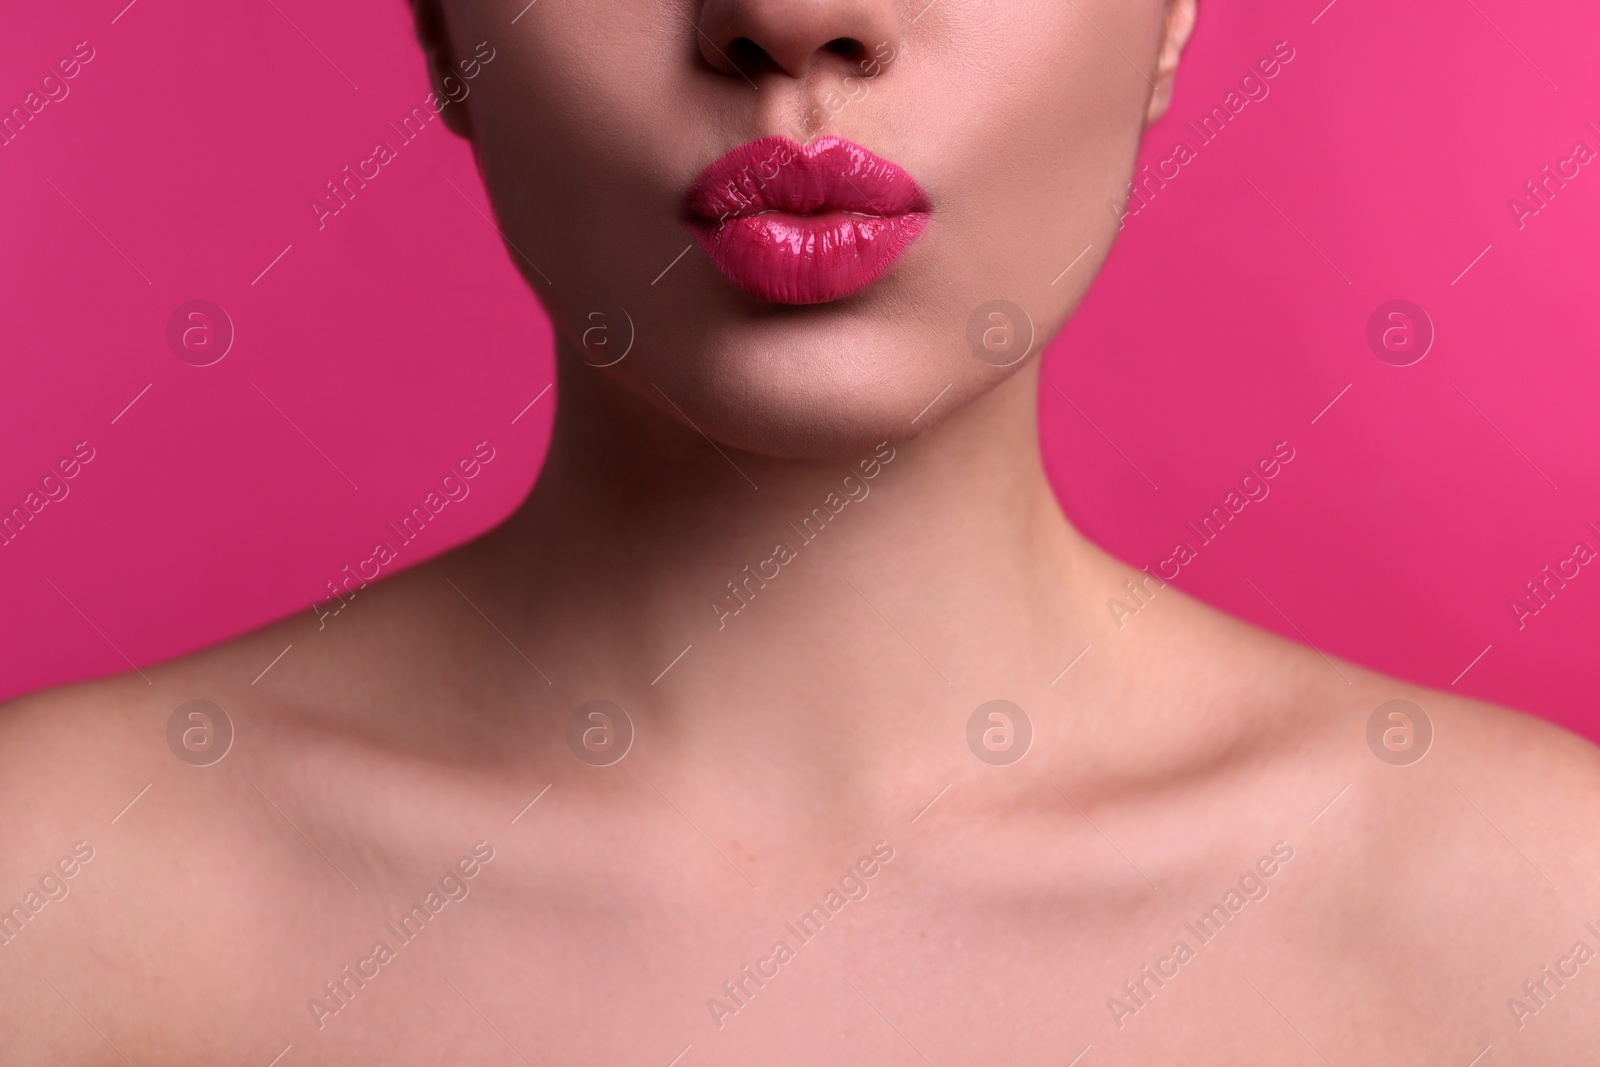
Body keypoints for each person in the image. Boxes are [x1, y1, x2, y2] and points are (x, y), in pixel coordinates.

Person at [4, 0, 1598, 1062]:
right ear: (435, 22)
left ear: (1175, 8)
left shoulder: (1546, 931)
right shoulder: (47, 906)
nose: (788, 12)